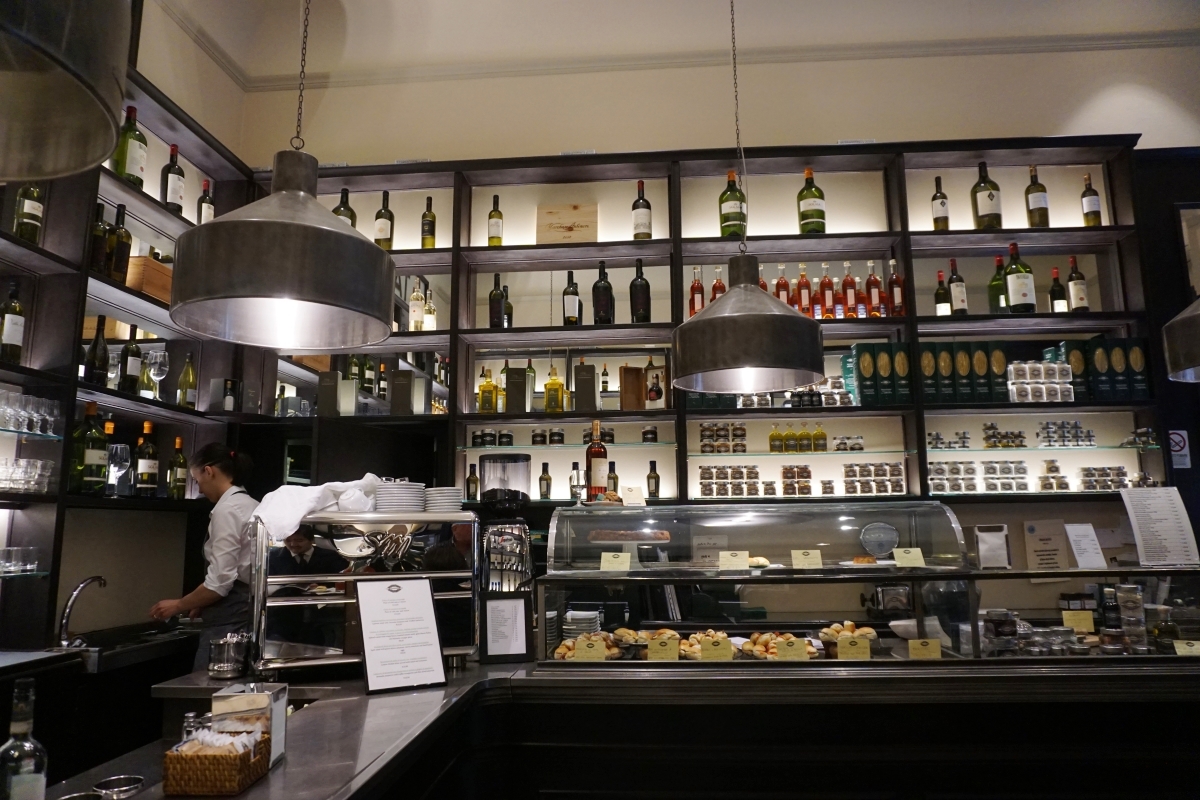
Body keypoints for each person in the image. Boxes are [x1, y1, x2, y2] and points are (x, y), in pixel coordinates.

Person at [149, 443, 259, 671]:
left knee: (210, 685)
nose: (199, 489)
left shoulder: (227, 509)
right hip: (247, 613)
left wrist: (177, 605)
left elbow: (219, 583)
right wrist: (199, 602)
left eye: (197, 480)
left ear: (209, 471)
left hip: (230, 622)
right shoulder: (251, 504)